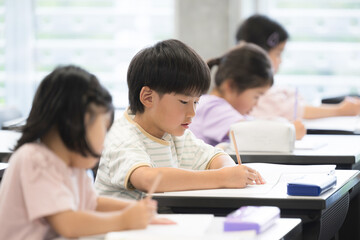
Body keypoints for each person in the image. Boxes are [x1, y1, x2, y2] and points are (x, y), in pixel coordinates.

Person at [0, 65, 167, 240]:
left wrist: (134, 209)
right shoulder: (35, 159)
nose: (106, 138)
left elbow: (92, 203)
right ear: (78, 121)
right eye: (105, 127)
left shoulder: (74, 165)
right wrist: (124, 219)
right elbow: (68, 224)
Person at [94, 39, 264, 200]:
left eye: (196, 102)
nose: (192, 112)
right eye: (184, 101)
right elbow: (148, 180)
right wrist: (221, 177)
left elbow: (215, 157)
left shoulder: (174, 134)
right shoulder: (121, 137)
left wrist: (229, 171)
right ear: (148, 97)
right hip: (119, 229)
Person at [235, 14, 360, 120]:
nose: (280, 61)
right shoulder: (250, 92)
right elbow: (293, 110)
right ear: (258, 53)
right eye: (278, 53)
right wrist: (340, 110)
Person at [189, 43, 305, 147]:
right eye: (256, 96)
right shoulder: (212, 107)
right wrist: (290, 131)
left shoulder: (218, 107)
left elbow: (253, 123)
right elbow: (249, 134)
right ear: (230, 86)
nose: (256, 103)